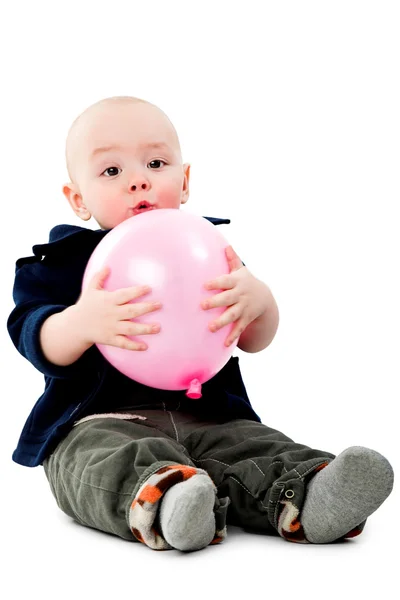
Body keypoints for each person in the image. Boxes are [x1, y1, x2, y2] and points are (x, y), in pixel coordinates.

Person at [7, 96, 394, 551]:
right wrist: (81, 322)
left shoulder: (205, 251)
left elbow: (253, 339)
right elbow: (33, 339)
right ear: (78, 198)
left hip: (208, 414)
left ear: (185, 180)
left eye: (155, 162)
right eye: (112, 171)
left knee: (251, 445)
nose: (139, 181)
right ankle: (168, 498)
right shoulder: (57, 264)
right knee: (99, 460)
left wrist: (260, 301)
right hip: (101, 419)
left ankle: (310, 492)